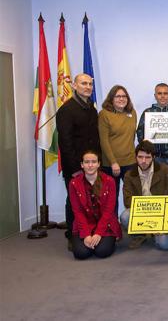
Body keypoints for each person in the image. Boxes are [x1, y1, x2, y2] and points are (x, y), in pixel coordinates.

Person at [56, 73, 101, 249]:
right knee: (74, 200)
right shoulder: (66, 110)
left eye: (90, 84)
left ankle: (90, 231)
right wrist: (76, 168)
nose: (88, 87)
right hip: (75, 166)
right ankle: (72, 235)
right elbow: (65, 143)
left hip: (92, 165)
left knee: (92, 199)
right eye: (83, 83)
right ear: (74, 86)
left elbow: (94, 138)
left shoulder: (91, 108)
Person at [69, 150, 121, 260]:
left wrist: (98, 233)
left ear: (99, 164)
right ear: (82, 165)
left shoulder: (109, 181)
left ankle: (109, 240)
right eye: (87, 162)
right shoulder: (74, 183)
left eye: (93, 162)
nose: (90, 165)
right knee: (81, 253)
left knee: (102, 251)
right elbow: (77, 212)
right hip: (84, 224)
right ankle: (90, 241)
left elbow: (109, 211)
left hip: (106, 225)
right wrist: (86, 234)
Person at [120, 141, 168, 250]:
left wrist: (159, 220)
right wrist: (146, 211)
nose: (143, 161)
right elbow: (127, 201)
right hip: (140, 211)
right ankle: (140, 235)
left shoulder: (164, 170)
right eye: (140, 157)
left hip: (160, 212)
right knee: (124, 216)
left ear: (153, 157)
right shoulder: (129, 175)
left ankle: (155, 233)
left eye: (147, 157)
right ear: (136, 157)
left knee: (164, 245)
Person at [98, 85, 137, 213]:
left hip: (130, 162)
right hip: (111, 164)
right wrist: (113, 162)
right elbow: (104, 140)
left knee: (132, 196)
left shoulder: (132, 113)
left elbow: (130, 137)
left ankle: (135, 227)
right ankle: (111, 227)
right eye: (118, 96)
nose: (121, 99)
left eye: (124, 96)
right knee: (111, 198)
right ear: (111, 98)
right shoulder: (104, 114)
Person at [136, 83, 168, 166]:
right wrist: (145, 145)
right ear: (155, 96)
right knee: (156, 179)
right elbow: (140, 132)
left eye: (165, 93)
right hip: (154, 157)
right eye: (159, 93)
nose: (162, 96)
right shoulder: (148, 112)